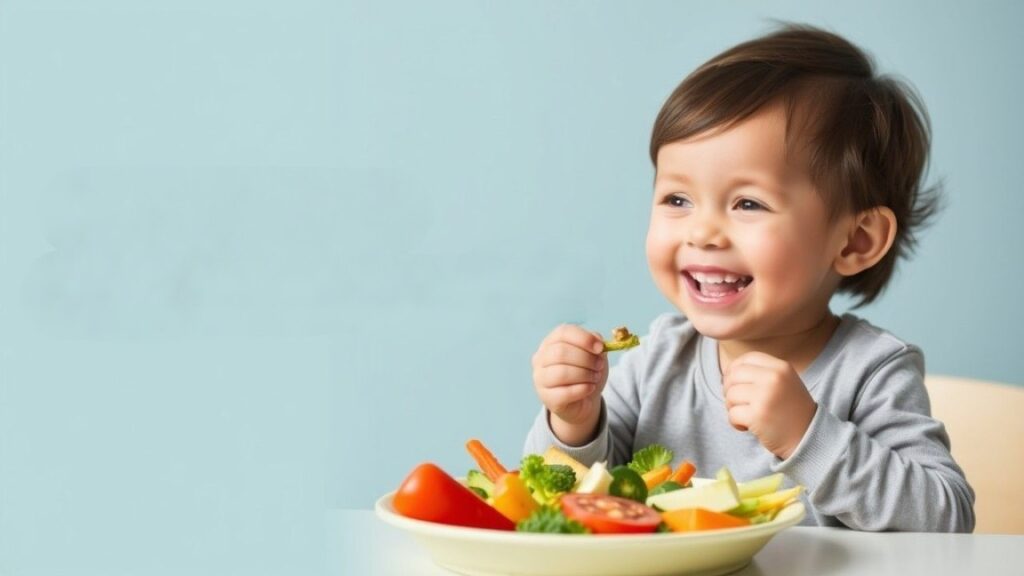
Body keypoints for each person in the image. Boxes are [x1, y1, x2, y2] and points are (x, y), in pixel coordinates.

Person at [524, 24, 975, 532]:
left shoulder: (869, 372)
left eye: (748, 203)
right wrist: (575, 422)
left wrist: (808, 435)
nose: (704, 231)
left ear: (855, 241)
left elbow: (947, 519)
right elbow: (567, 506)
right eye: (678, 199)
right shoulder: (657, 363)